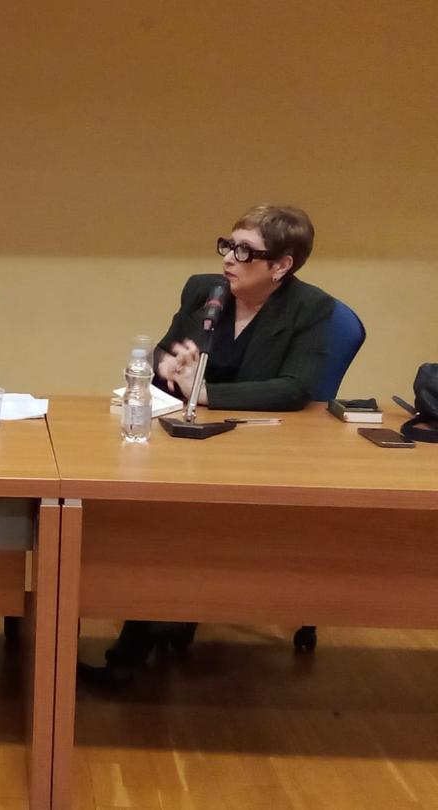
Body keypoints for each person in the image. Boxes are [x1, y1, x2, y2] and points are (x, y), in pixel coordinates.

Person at [85, 204, 335, 686]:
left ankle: (136, 651)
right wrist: (166, 366)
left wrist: (205, 393)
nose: (228, 259)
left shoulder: (310, 308)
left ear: (281, 265)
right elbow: (165, 354)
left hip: (260, 453)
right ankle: (155, 617)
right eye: (228, 245)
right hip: (188, 443)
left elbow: (295, 388)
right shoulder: (206, 292)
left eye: (245, 251)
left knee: (178, 524)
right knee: (144, 507)